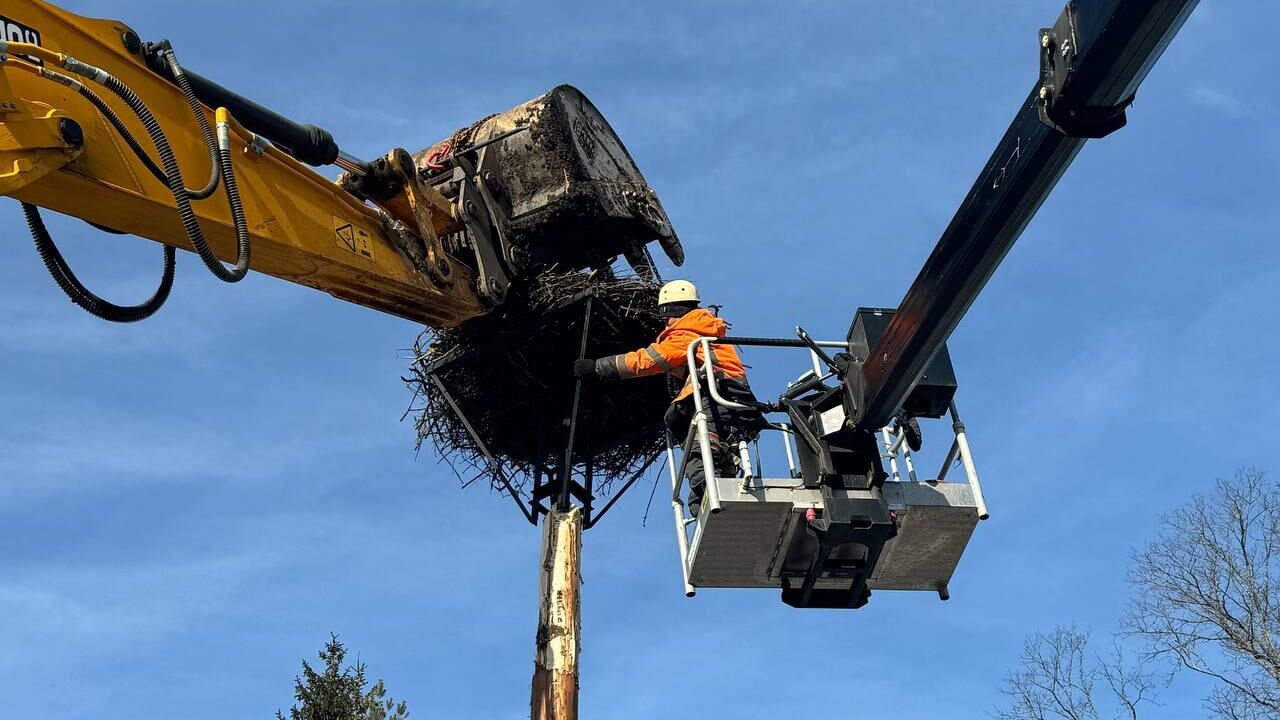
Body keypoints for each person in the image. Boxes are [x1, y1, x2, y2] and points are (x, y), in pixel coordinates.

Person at [573, 280, 763, 517]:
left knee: (700, 451)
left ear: (672, 311)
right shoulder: (708, 333)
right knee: (715, 451)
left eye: (666, 318)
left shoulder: (687, 334)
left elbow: (648, 360)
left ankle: (709, 506)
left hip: (717, 396)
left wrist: (598, 368)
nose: (666, 323)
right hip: (736, 400)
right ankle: (713, 504)